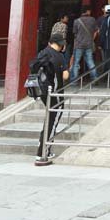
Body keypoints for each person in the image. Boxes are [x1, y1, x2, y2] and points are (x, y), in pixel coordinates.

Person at [34, 34, 69, 162]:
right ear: (61, 44)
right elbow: (65, 76)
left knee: (49, 119)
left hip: (43, 92)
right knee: (52, 121)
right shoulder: (59, 56)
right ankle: (44, 151)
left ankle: (42, 147)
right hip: (55, 93)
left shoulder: (42, 53)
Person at [70, 8, 98, 84]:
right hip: (89, 44)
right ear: (87, 11)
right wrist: (91, 39)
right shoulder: (92, 20)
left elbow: (75, 33)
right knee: (90, 61)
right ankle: (95, 78)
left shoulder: (76, 21)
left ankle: (74, 81)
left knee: (76, 63)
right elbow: (96, 31)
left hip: (79, 44)